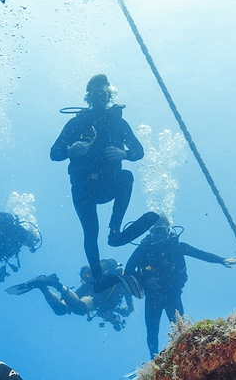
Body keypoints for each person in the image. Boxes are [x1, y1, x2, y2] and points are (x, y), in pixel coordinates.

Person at [50, 75, 159, 288]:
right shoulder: (76, 123)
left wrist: (124, 154)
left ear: (109, 96)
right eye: (95, 94)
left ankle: (116, 233)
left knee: (127, 176)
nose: (100, 98)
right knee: (90, 232)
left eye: (104, 94)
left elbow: (138, 152)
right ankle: (98, 279)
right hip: (83, 188)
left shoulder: (118, 123)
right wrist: (69, 150)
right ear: (88, 97)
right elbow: (54, 153)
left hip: (110, 184)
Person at [125, 216, 236, 356]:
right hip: (153, 297)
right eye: (157, 231)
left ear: (169, 230)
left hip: (172, 295)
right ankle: (153, 359)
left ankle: (185, 356)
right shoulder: (143, 250)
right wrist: (144, 280)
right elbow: (128, 271)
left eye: (163, 230)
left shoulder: (178, 247)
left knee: (181, 331)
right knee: (152, 332)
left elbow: (200, 254)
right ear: (151, 232)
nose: (160, 235)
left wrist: (221, 260)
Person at [6, 259, 136, 331]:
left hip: (92, 288)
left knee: (60, 310)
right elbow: (127, 299)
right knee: (79, 310)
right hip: (98, 291)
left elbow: (104, 311)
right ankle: (55, 283)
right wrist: (129, 310)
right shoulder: (123, 284)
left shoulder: (113, 300)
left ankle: (42, 286)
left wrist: (114, 317)